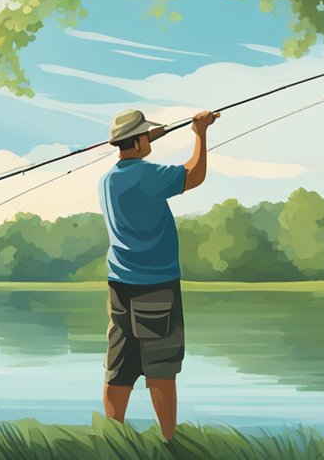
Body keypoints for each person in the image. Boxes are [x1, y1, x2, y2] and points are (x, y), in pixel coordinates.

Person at [98, 107, 217, 441]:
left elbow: (137, 162)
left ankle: (112, 439)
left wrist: (149, 137)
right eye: (145, 135)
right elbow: (194, 175)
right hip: (157, 288)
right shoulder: (147, 176)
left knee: (119, 371)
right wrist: (200, 134)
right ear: (136, 141)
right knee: (161, 371)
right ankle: (168, 442)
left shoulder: (106, 180)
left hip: (120, 289)